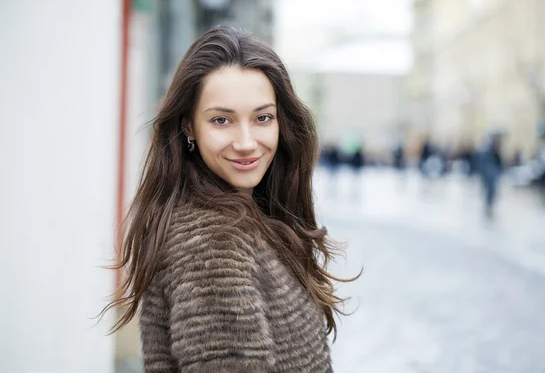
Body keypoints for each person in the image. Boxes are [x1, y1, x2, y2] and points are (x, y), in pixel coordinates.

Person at [100, 27, 356, 372]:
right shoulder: (213, 245)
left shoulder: (251, 218)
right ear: (189, 127)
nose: (247, 142)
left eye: (262, 118)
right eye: (222, 120)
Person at [477, 131, 503, 218]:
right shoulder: (487, 150)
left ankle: (489, 207)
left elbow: (499, 163)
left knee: (492, 192)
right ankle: (488, 207)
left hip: (492, 175)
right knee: (489, 191)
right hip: (489, 175)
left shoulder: (494, 150)